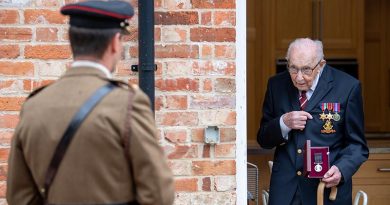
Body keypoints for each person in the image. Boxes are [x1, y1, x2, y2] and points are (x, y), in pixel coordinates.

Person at [6, 1, 174, 205]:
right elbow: (158, 194)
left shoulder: (34, 105)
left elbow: (19, 197)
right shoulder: (127, 103)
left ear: (72, 41)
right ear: (114, 42)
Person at [257, 38, 369, 205]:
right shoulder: (276, 85)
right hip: (286, 191)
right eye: (293, 68)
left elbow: (358, 146)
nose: (299, 77)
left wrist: (341, 170)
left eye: (306, 69)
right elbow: (263, 139)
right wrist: (283, 123)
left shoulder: (347, 87)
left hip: (326, 190)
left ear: (321, 65)